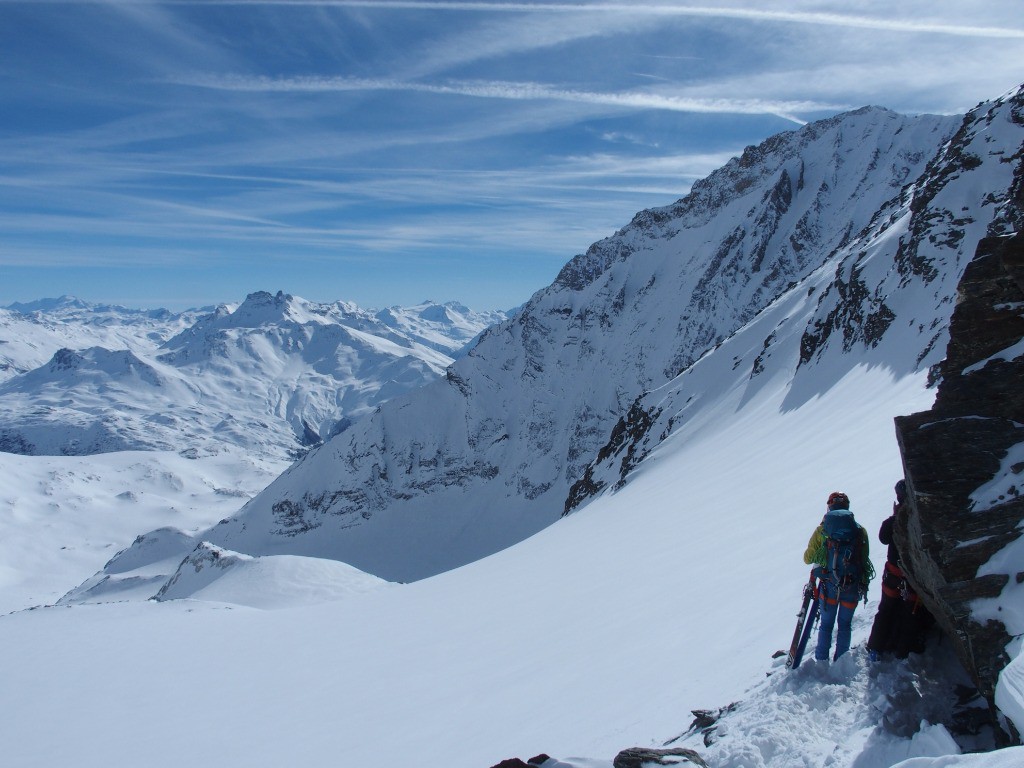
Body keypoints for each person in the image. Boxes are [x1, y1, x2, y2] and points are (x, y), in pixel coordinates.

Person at [866, 479, 933, 660]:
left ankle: (875, 648)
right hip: (910, 578)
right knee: (909, 613)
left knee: (886, 610)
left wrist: (894, 517)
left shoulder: (893, 521)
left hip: (892, 574)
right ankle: (903, 652)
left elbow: (883, 538)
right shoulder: (918, 520)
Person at [803, 491, 872, 662]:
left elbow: (808, 558)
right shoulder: (859, 531)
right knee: (845, 626)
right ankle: (841, 661)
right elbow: (864, 560)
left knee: (826, 626)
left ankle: (821, 662)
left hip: (829, 586)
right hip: (851, 585)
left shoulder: (822, 530)